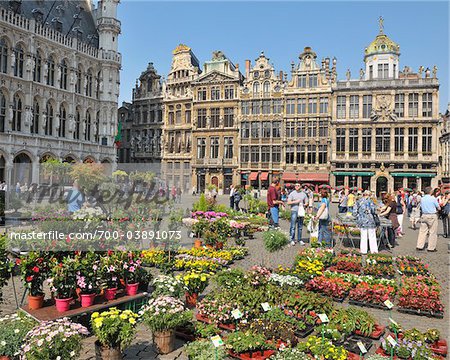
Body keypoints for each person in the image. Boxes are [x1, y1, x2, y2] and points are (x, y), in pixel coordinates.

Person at [353, 190, 378, 254]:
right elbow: (374, 211)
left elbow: (354, 212)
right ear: (369, 195)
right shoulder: (372, 201)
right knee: (372, 236)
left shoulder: (358, 201)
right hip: (371, 221)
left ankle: (363, 250)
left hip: (362, 221)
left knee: (363, 236)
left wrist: (358, 216)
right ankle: (374, 250)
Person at [416, 186, 440, 252]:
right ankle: (431, 248)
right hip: (432, 215)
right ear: (430, 191)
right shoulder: (433, 198)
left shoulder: (422, 198)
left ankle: (419, 246)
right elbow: (438, 207)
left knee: (422, 231)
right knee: (432, 232)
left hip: (424, 215)